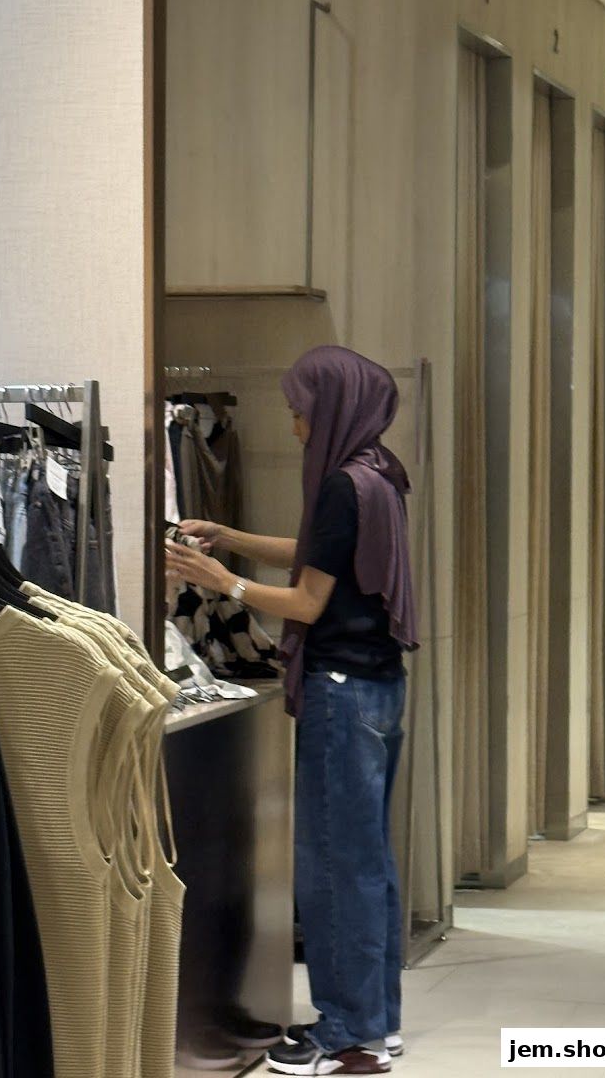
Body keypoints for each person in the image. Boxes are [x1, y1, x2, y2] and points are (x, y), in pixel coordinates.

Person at [165, 345, 419, 1077]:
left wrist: (223, 583)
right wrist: (233, 540)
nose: (295, 422)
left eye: (302, 409)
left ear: (333, 406)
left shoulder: (343, 484)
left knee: (334, 869)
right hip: (377, 687)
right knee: (366, 864)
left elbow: (309, 600)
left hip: (342, 692)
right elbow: (318, 559)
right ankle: (376, 1022)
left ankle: (347, 1036)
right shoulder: (378, 472)